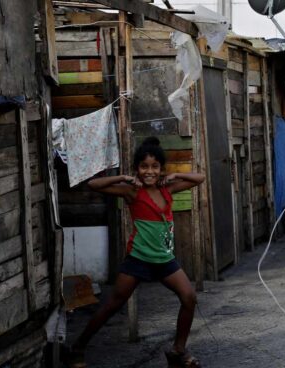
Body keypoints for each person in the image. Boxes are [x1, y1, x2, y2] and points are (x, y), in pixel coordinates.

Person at [66, 137, 204, 368]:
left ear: (160, 169)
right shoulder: (132, 192)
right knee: (113, 304)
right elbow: (93, 185)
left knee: (189, 297)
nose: (149, 171)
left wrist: (176, 176)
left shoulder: (167, 188)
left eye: (154, 167)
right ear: (137, 169)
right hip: (138, 259)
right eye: (144, 167)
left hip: (164, 259)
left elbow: (199, 178)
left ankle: (178, 351)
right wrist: (122, 177)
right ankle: (77, 348)